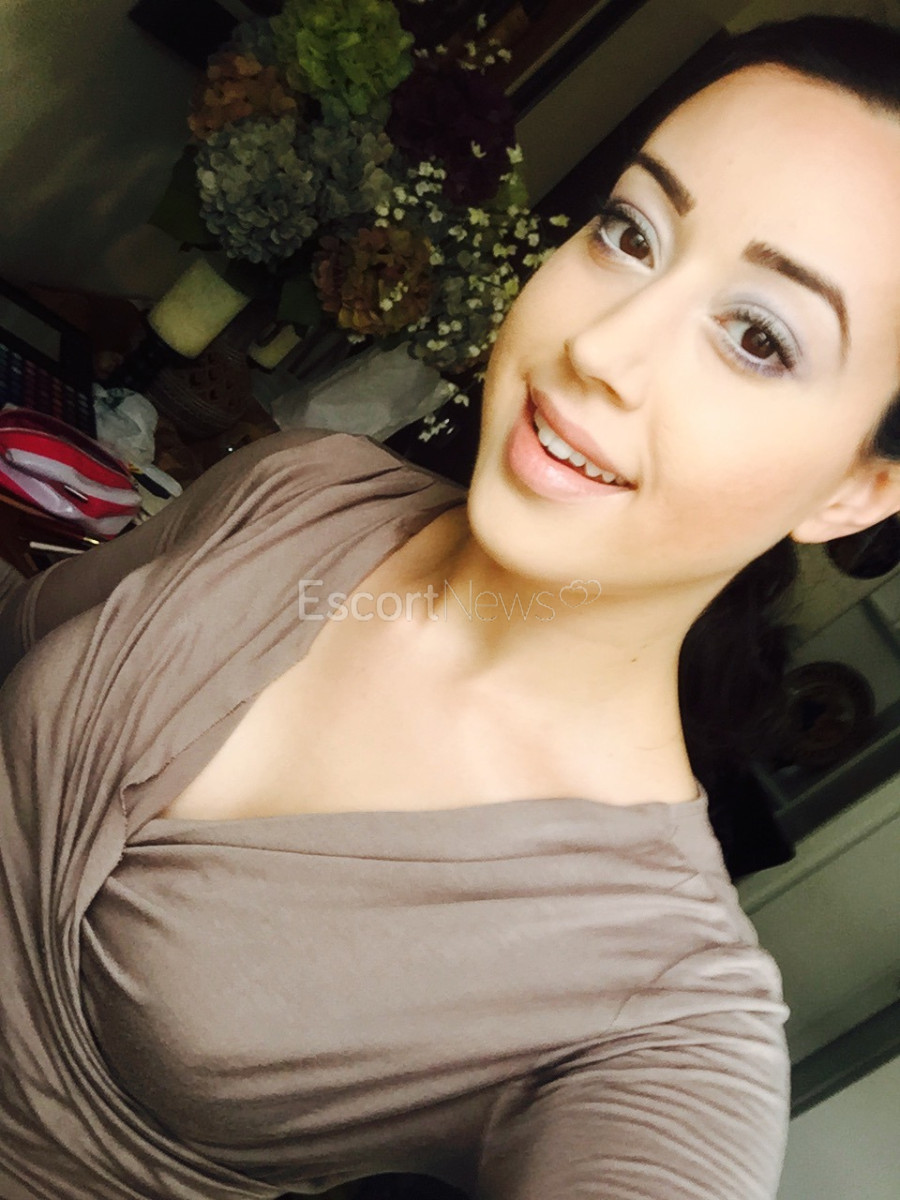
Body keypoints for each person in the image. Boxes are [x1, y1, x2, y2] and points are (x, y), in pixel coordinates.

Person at [2, 13, 899, 1200]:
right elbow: (23, 630)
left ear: (856, 489)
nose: (602, 346)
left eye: (757, 337)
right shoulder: (304, 484)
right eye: (631, 232)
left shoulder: (662, 1000)